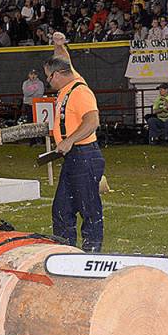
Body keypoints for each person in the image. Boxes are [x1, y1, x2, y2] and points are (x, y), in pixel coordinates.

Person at [46, 31, 105, 252]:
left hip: (85, 155)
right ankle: (65, 252)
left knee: (89, 209)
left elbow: (92, 121)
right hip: (74, 158)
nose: (48, 82)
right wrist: (58, 44)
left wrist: (69, 140)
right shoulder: (68, 84)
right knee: (61, 209)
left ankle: (92, 253)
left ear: (58, 75)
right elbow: (64, 61)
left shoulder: (80, 91)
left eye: (49, 78)